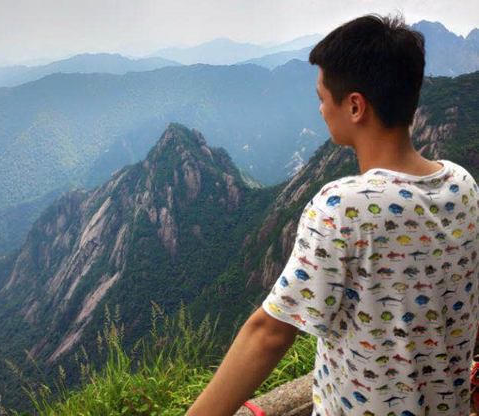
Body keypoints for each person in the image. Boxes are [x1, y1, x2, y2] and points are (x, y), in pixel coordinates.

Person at [185, 11, 479, 416]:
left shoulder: (343, 208)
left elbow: (269, 334)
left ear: (355, 106)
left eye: (323, 98)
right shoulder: (463, 186)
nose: (322, 110)